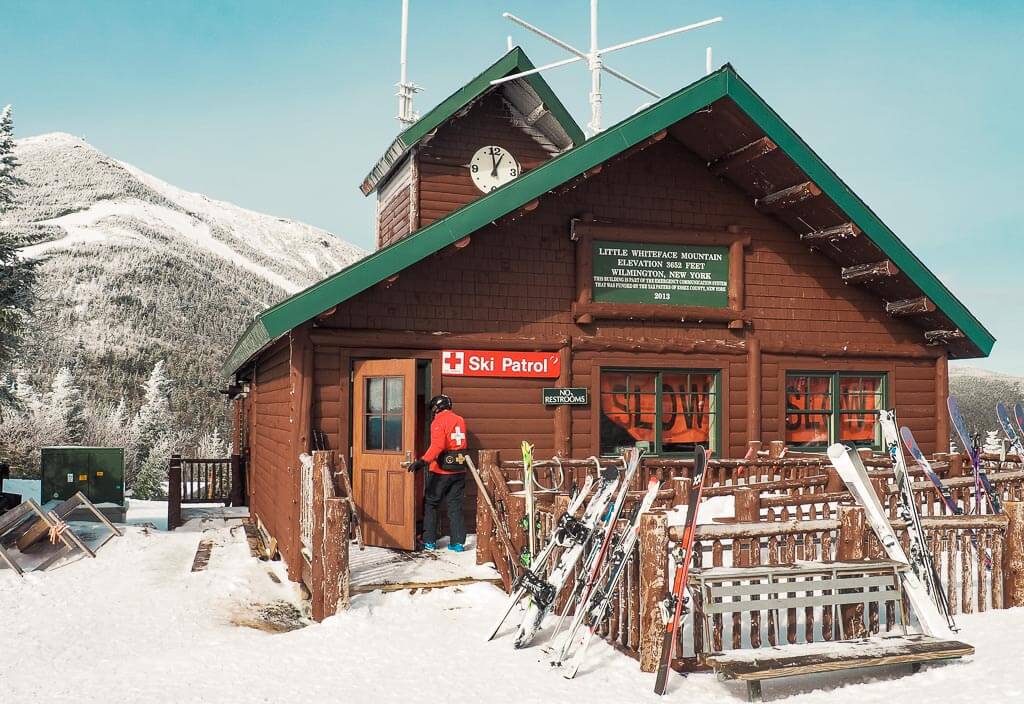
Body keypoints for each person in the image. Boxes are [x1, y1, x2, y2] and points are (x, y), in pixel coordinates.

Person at [408, 394, 469, 552]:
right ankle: (457, 543)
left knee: (431, 503)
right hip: (459, 468)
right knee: (455, 505)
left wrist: (423, 461)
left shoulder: (439, 421)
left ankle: (429, 541)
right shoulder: (460, 420)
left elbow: (438, 445)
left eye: (434, 408)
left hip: (442, 470)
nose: (433, 411)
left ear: (438, 407)